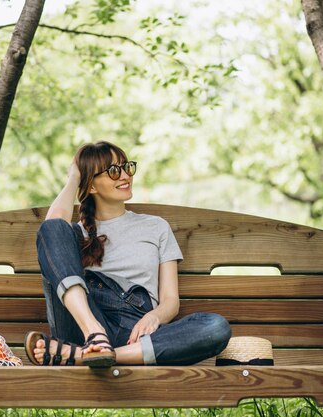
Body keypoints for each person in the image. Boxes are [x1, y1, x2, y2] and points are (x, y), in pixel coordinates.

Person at [25, 141, 231, 367]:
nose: (124, 176)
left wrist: (154, 317)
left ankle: (86, 355)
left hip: (135, 332)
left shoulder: (156, 227)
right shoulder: (75, 233)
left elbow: (170, 300)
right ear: (91, 186)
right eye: (113, 171)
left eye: (127, 167)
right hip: (83, 325)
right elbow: (52, 226)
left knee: (215, 327)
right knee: (52, 227)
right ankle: (95, 336)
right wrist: (75, 177)